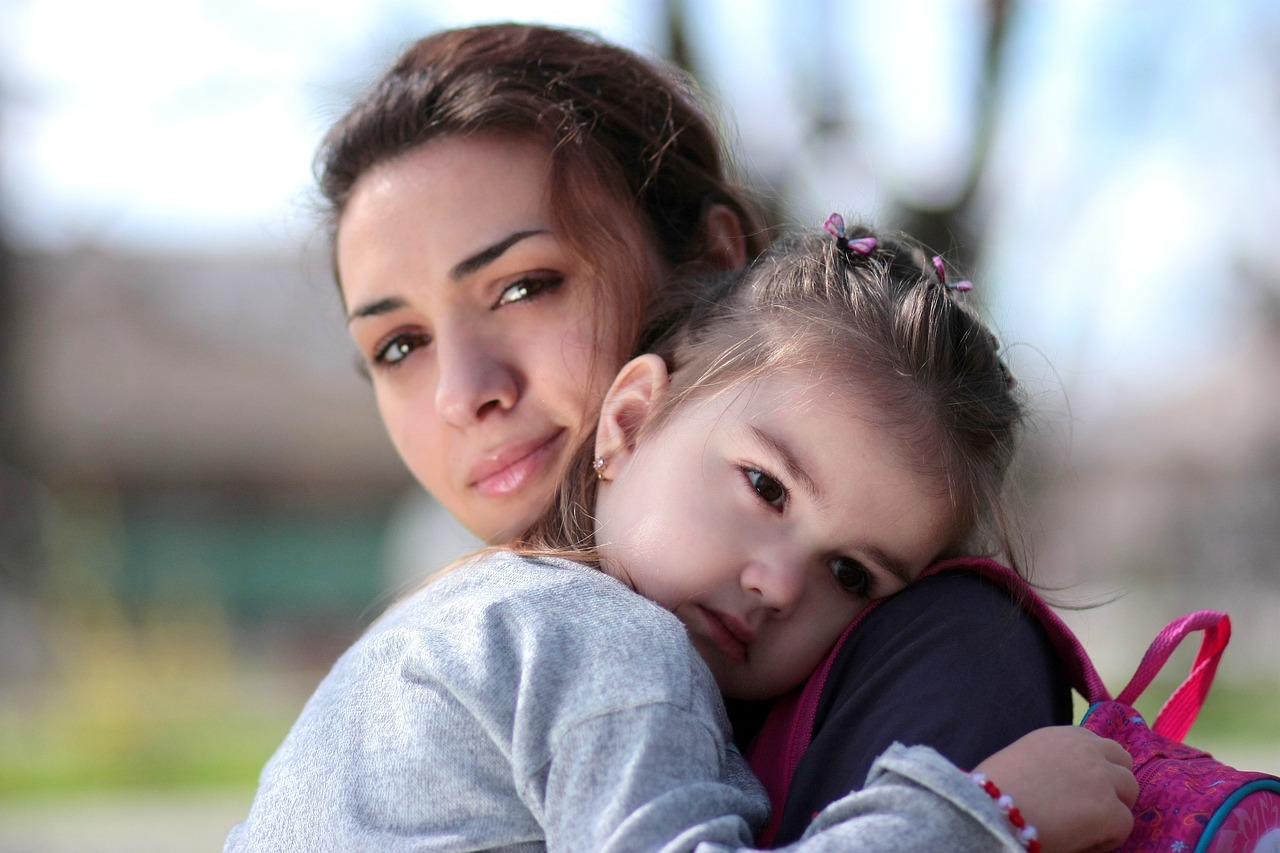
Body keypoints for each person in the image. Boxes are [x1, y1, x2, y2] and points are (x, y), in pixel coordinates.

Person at [317, 22, 1072, 843]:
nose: (466, 393)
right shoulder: (558, 641)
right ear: (629, 418)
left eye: (525, 286)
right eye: (398, 345)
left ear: (713, 262)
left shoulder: (938, 646)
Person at [227, 222, 1137, 851]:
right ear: (627, 422)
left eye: (851, 574)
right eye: (765, 485)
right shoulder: (599, 642)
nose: (782, 585)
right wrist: (987, 816)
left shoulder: (476, 616)